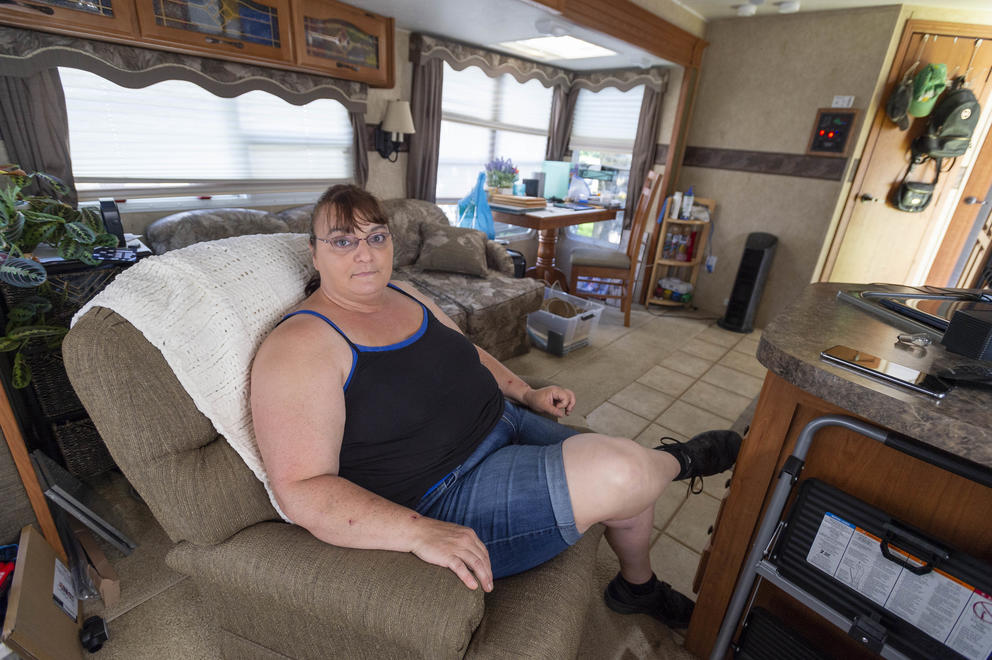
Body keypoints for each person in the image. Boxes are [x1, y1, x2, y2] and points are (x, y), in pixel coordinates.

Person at [250, 184, 742, 628]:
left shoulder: (405, 291)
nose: (365, 254)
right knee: (627, 473)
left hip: (505, 420)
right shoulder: (300, 345)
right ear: (314, 253)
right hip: (449, 488)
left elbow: (467, 352)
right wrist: (417, 533)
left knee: (631, 477)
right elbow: (301, 489)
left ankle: (637, 588)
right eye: (342, 241)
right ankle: (684, 460)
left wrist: (523, 391)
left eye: (376, 237)